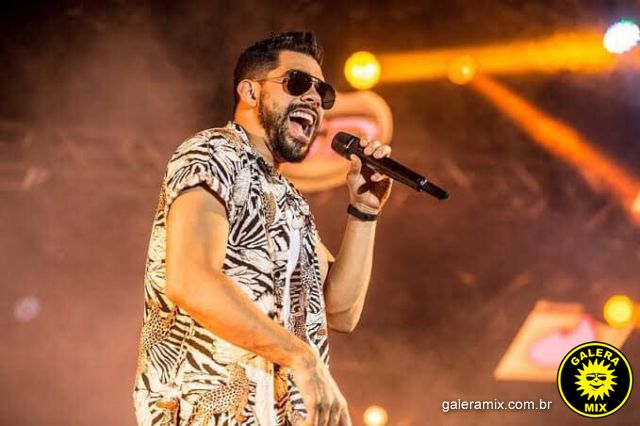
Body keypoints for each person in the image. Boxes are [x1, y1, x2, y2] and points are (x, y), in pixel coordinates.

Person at [133, 31, 392, 426]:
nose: (314, 99)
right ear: (250, 92)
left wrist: (364, 211)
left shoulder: (290, 201)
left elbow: (340, 312)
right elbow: (190, 279)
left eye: (322, 93)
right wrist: (302, 359)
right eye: (298, 83)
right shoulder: (213, 152)